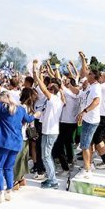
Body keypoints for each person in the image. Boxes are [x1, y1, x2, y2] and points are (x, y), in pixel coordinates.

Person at [0, 73, 35, 202]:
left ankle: (0, 193)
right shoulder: (21, 109)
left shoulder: (2, 108)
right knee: (9, 168)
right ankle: (8, 191)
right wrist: (37, 113)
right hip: (17, 143)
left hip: (3, 143)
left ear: (3, 99)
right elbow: (29, 118)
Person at [32, 60, 65, 189]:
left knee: (46, 156)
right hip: (48, 131)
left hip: (50, 131)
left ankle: (53, 180)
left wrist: (36, 71)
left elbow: (42, 87)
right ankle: (51, 178)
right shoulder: (58, 100)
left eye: (49, 88)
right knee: (46, 155)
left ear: (51, 90)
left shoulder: (53, 99)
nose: (47, 89)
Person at [76, 52, 102, 177]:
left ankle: (87, 170)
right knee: (87, 144)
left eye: (90, 73)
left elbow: (97, 101)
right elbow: (84, 71)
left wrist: (84, 111)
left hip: (91, 120)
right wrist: (82, 59)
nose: (88, 74)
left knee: (85, 145)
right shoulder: (91, 86)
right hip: (88, 119)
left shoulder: (96, 87)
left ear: (94, 77)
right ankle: (88, 165)